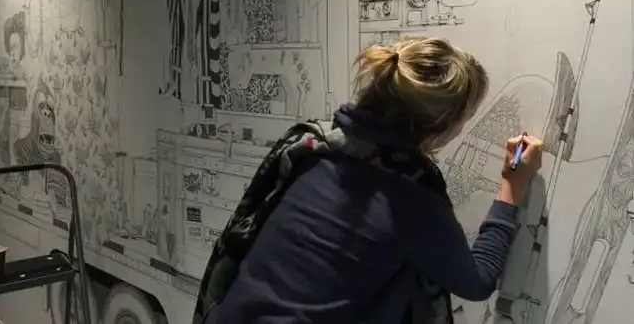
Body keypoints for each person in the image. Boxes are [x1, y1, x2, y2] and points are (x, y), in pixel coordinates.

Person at [194, 35, 543, 324]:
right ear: (441, 127)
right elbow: (477, 281)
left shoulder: (311, 147)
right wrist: (512, 186)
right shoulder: (412, 200)